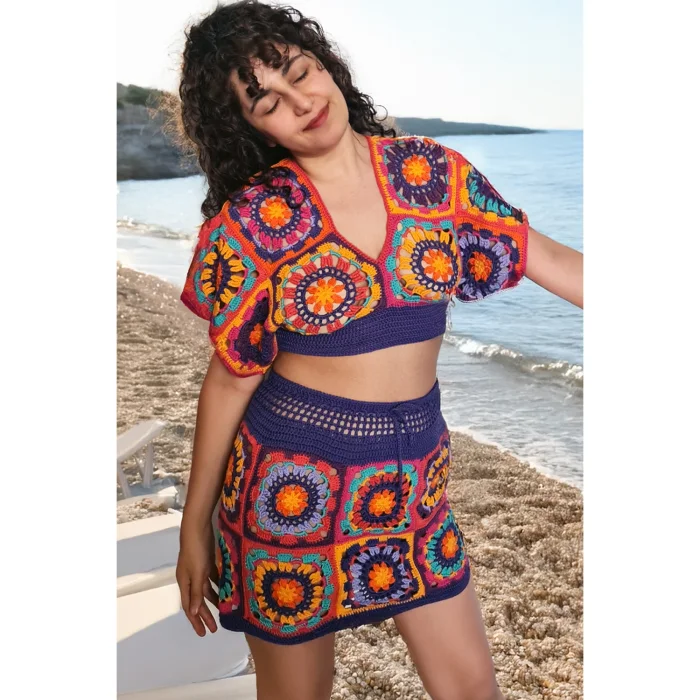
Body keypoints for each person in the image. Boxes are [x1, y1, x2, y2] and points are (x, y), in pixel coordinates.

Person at [173, 2, 583, 699]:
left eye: (300, 72)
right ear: (248, 126)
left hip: (416, 485)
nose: (300, 102)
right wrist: (195, 525)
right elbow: (231, 380)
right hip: (288, 491)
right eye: (266, 101)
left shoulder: (433, 175)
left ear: (326, 65)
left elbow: (546, 257)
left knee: (473, 690)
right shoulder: (254, 222)